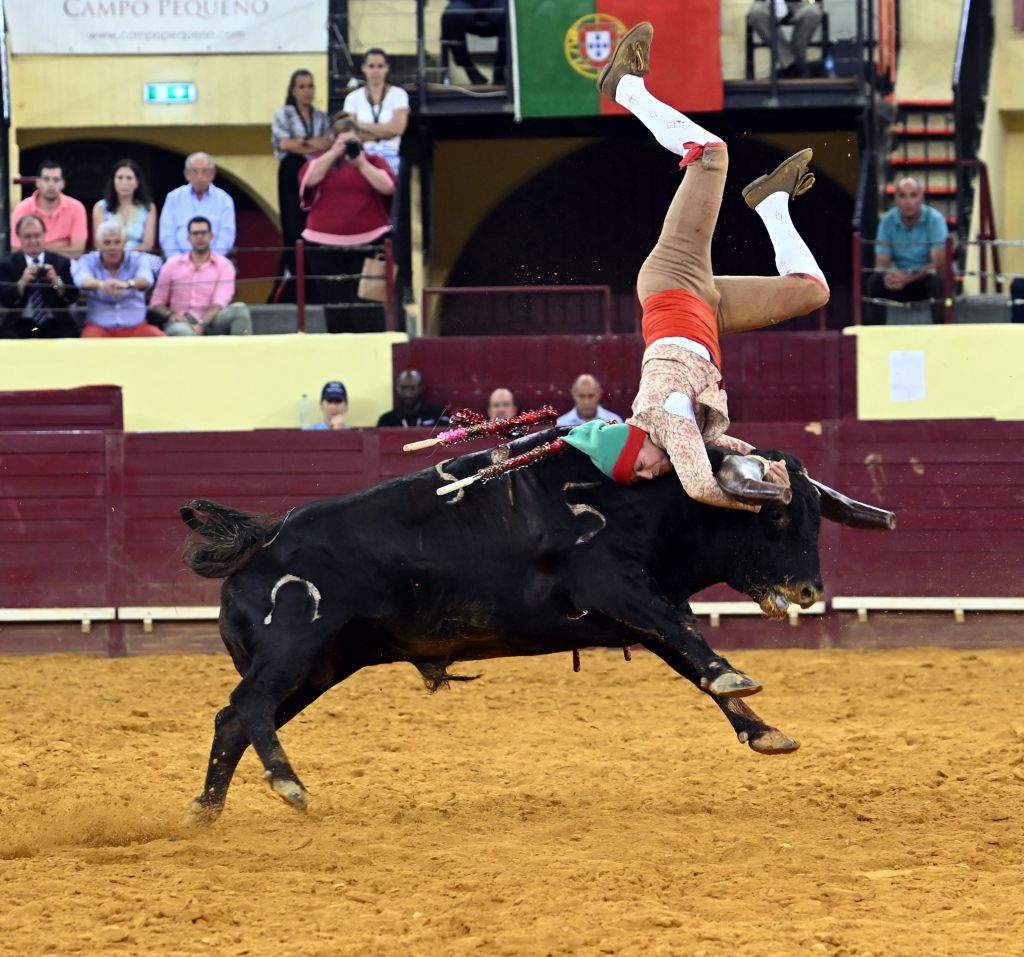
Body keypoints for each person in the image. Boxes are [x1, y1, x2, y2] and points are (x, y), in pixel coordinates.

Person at [563, 22, 827, 510]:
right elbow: (726, 452)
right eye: (642, 477)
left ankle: (623, 86)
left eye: (637, 465)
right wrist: (781, 474)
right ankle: (770, 203)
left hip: (672, 284)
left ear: (634, 436)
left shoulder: (658, 414)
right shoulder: (679, 435)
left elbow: (703, 485)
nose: (650, 472)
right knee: (812, 291)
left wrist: (760, 503)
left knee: (709, 154)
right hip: (706, 313)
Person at [300, 114, 396, 333]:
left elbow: (388, 186)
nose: (347, 147)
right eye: (342, 142)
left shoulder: (373, 161)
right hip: (324, 245)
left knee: (368, 305)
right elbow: (309, 180)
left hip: (369, 242)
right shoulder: (320, 160)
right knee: (335, 305)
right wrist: (333, 153)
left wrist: (360, 163)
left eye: (352, 141)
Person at [271, 69, 333, 299]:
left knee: (314, 223)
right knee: (293, 225)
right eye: (302, 86)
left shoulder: (321, 116)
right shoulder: (283, 114)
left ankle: (315, 282)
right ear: (293, 90)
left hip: (316, 171)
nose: (307, 91)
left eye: (310, 86)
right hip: (291, 171)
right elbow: (286, 144)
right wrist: (312, 144)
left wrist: (304, 143)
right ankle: (293, 278)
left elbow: (328, 143)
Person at [148, 216, 252, 337]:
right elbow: (156, 303)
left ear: (211, 236)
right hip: (182, 321)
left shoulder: (224, 265)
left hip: (213, 320)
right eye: (195, 233)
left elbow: (219, 302)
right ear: (189, 238)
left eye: (203, 233)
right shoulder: (172, 265)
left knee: (240, 309)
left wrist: (202, 324)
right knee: (182, 332)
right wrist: (170, 315)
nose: (199, 237)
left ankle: (240, 355)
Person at [865, 176, 948, 325]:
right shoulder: (887, 221)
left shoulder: (935, 219)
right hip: (898, 279)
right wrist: (891, 276)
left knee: (939, 282)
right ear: (896, 199)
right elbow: (881, 263)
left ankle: (943, 332)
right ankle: (874, 333)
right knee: (874, 282)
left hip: (923, 279)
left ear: (921, 197)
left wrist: (907, 278)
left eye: (913, 195)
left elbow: (938, 263)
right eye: (902, 196)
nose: (908, 202)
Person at [71, 220, 164, 338]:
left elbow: (147, 279)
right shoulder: (88, 260)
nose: (112, 247)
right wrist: (102, 285)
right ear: (98, 244)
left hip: (136, 326)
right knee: (87, 342)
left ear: (124, 243)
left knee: (161, 340)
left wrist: (126, 284)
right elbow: (81, 280)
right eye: (107, 243)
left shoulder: (138, 258)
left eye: (117, 242)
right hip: (99, 327)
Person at [0, 215, 79, 339]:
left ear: (44, 235)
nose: (33, 241)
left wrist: (56, 280)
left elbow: (72, 296)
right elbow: (4, 300)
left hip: (55, 322)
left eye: (37, 235)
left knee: (70, 334)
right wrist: (22, 282)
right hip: (21, 322)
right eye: (27, 237)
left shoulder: (60, 262)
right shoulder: (8, 264)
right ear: (19, 238)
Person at [343, 49, 409, 176]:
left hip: (390, 157)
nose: (376, 71)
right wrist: (386, 132)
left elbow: (398, 129)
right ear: (364, 68)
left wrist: (360, 125)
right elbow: (350, 133)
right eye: (371, 66)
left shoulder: (399, 94)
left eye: (380, 66)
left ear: (387, 68)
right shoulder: (352, 98)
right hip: (361, 156)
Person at [159, 152, 236, 258]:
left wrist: (209, 261)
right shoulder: (173, 198)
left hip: (215, 263)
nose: (200, 177)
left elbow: (226, 237)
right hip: (178, 263)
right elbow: (166, 236)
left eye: (205, 171)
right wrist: (179, 262)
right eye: (195, 171)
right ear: (187, 174)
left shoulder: (225, 200)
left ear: (213, 174)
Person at [10, 160, 88, 259]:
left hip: (67, 265)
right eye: (46, 179)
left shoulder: (77, 207)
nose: (51, 184)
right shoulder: (22, 208)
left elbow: (77, 251)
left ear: (62, 184)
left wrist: (36, 248)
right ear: (38, 182)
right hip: (30, 265)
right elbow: (16, 250)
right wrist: (62, 244)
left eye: (56, 180)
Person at [92, 158, 158, 253]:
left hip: (138, 257)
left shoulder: (149, 207)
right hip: (108, 257)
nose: (124, 182)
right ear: (113, 181)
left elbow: (148, 244)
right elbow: (98, 243)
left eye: (129, 178)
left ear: (137, 183)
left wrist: (125, 252)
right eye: (120, 178)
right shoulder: (100, 207)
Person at [746, 0, 824, 78]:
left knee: (813, 13)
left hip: (803, 1)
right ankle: (791, 63)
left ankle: (795, 65)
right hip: (767, 2)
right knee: (756, 14)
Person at [441, 0, 508, 86]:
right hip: (464, 3)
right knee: (454, 12)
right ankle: (470, 71)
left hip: (497, 3)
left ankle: (500, 71)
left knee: (508, 13)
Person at [377, 369, 450, 427]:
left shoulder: (438, 415)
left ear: (421, 388)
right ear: (397, 388)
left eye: (413, 388)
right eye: (403, 388)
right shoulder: (386, 421)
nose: (408, 393)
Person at [555, 374, 621, 426]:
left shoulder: (615, 422)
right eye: (581, 396)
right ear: (573, 394)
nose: (587, 402)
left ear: (599, 393)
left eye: (591, 396)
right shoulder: (561, 424)